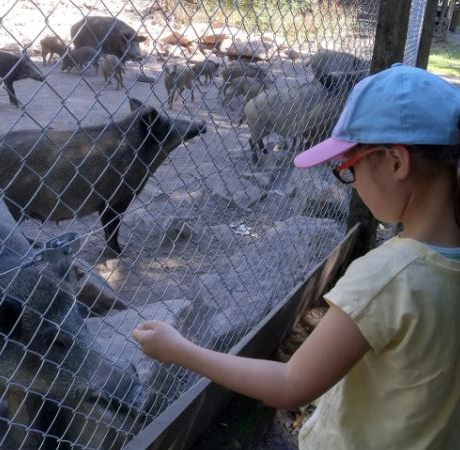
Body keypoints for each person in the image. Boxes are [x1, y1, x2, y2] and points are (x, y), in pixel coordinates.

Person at [132, 64, 460, 449]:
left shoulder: (388, 277)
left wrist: (181, 350)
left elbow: (291, 385)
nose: (350, 185)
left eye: (347, 169)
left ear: (394, 162)